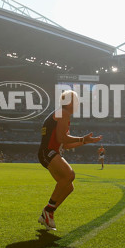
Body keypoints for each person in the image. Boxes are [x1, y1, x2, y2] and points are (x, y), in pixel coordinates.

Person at [37, 90, 102, 231]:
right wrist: (82, 139)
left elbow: (65, 144)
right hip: (48, 152)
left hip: (48, 152)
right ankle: (48, 211)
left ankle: (48, 213)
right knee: (70, 175)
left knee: (69, 186)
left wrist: (85, 141)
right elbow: (62, 139)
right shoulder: (63, 113)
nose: (78, 104)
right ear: (70, 102)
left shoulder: (62, 114)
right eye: (76, 101)